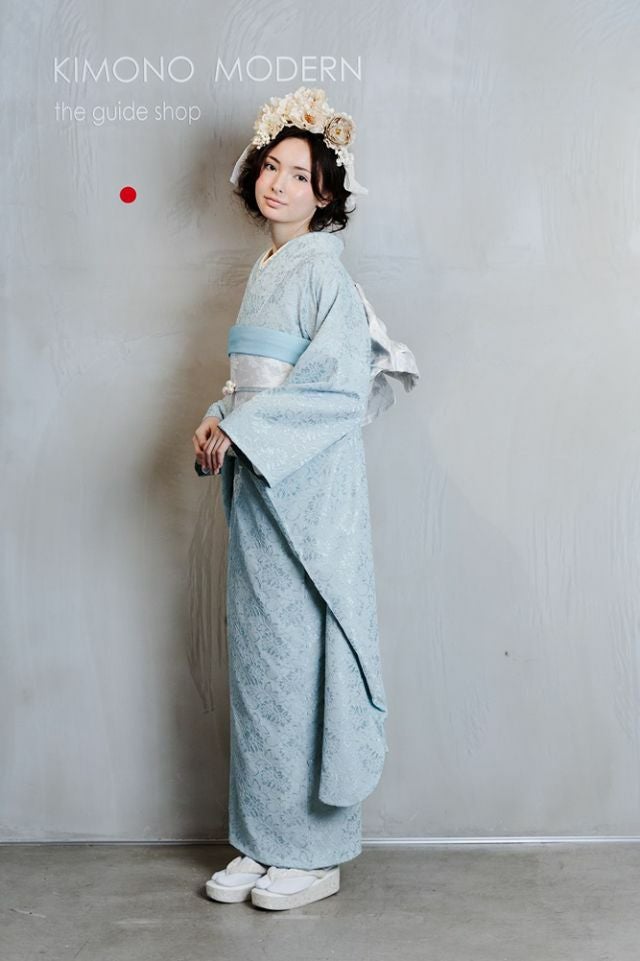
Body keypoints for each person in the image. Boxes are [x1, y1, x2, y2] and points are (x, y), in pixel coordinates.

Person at [192, 86, 419, 911]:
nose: (280, 184)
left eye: (300, 175)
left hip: (308, 492)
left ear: (326, 194)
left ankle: (313, 852)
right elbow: (256, 378)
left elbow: (332, 387)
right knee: (261, 666)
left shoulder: (324, 270)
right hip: (263, 484)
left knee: (300, 661)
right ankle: (262, 839)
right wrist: (219, 416)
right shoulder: (267, 270)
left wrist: (245, 428)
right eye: (272, 168)